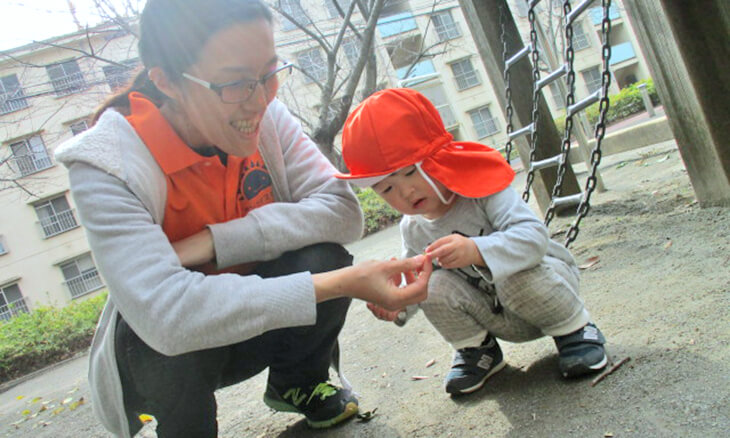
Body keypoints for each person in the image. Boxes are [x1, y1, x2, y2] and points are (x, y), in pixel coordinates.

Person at [54, 2, 432, 437]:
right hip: (174, 351)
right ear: (167, 81)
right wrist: (343, 284)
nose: (260, 99)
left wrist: (216, 242)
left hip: (257, 322)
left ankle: (298, 382)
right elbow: (166, 314)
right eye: (235, 83)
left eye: (269, 73)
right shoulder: (107, 163)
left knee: (325, 256)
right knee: (157, 339)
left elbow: (342, 211)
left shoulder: (267, 115)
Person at [335, 88, 608, 396]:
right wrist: (398, 304)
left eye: (411, 172)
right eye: (386, 189)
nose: (405, 192)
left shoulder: (480, 189)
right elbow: (413, 280)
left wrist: (477, 251)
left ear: (436, 157)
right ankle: (478, 351)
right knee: (431, 285)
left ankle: (576, 331)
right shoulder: (413, 228)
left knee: (512, 274)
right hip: (495, 314)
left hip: (548, 294)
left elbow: (534, 238)